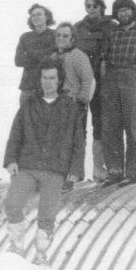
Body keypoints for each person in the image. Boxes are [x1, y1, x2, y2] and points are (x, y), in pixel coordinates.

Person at [4, 59, 84, 264]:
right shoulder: (29, 103)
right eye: (44, 78)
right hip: (28, 164)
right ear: (39, 80)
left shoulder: (70, 107)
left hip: (55, 168)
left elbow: (78, 139)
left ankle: (41, 253)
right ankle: (16, 246)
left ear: (59, 80)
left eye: (52, 78)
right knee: (13, 204)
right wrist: (11, 159)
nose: (48, 82)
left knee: (47, 214)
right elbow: (16, 132)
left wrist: (75, 168)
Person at [100, 0, 136, 187]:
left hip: (133, 76)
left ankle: (132, 172)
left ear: (133, 11)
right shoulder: (112, 33)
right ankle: (114, 170)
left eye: (126, 9)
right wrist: (104, 79)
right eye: (120, 10)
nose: (123, 13)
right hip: (112, 77)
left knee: (132, 126)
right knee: (111, 126)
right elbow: (103, 58)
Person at [75, 0, 118, 182]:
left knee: (101, 123)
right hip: (82, 82)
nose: (91, 9)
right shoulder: (78, 27)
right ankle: (76, 170)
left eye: (95, 5)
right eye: (88, 5)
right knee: (78, 125)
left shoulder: (111, 27)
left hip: (102, 82)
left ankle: (99, 167)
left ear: (102, 7)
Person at [49, 22, 94, 192]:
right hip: (56, 104)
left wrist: (82, 98)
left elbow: (87, 78)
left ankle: (74, 175)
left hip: (74, 102)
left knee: (75, 140)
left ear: (72, 38)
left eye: (65, 36)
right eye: (58, 35)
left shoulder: (78, 55)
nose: (61, 38)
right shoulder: (53, 56)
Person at [15, 3, 57, 105]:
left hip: (48, 86)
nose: (36, 17)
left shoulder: (55, 35)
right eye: (33, 15)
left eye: (39, 14)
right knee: (26, 119)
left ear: (46, 16)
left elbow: (55, 59)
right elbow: (18, 60)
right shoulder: (25, 37)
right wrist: (45, 55)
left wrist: (30, 53)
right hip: (28, 86)